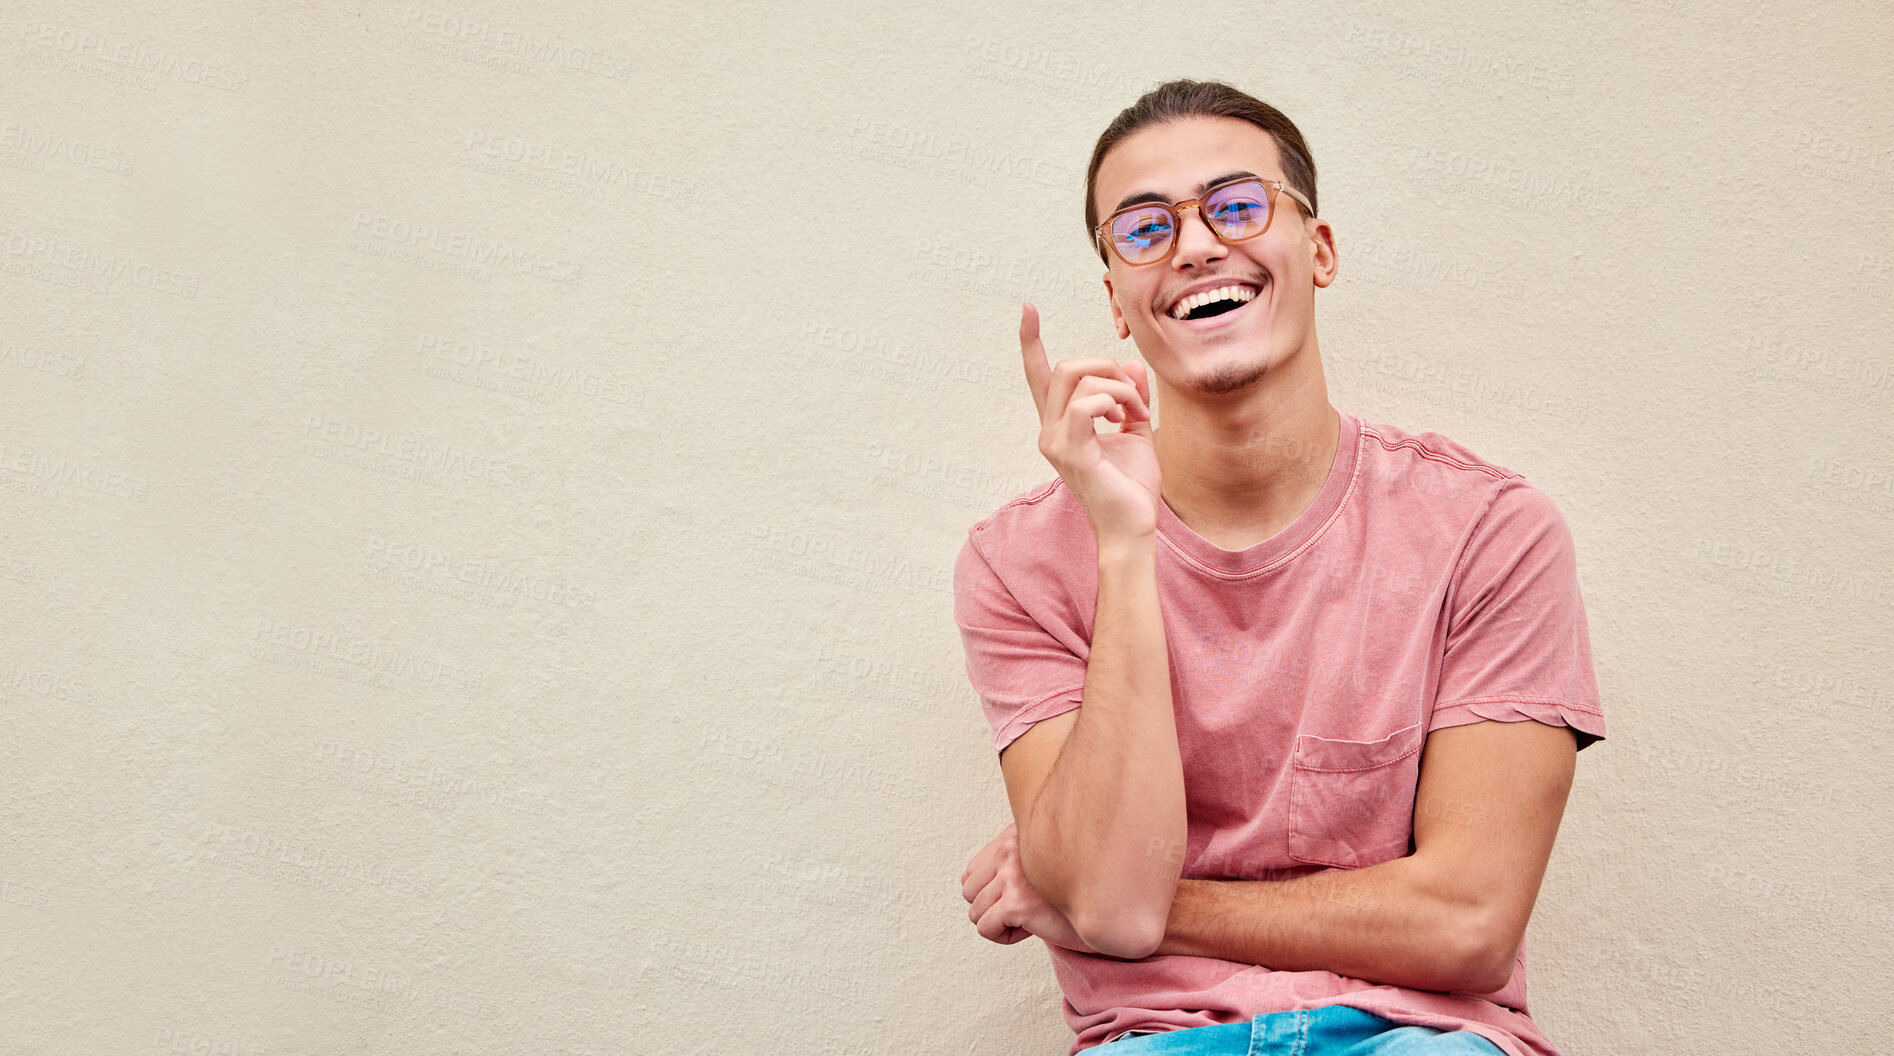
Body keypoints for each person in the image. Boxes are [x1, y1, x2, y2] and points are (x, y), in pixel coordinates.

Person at [952, 79, 1606, 1056]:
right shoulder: (1017, 563)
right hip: (1151, 1041)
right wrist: (1125, 543)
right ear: (1118, 304)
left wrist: (1136, 901)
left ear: (1319, 249)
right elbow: (1103, 902)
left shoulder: (1486, 533)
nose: (1196, 245)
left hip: (1422, 1038)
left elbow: (1466, 926)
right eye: (1142, 229)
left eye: (1237, 205)